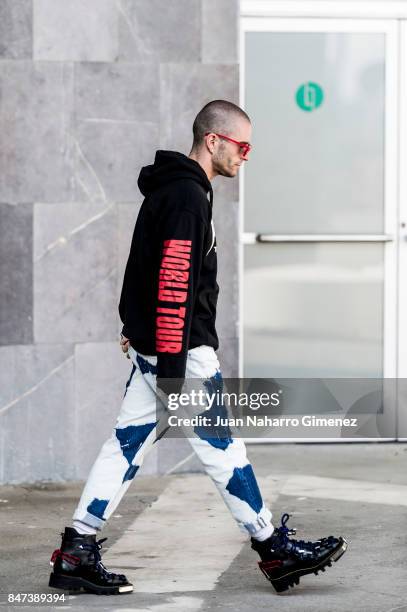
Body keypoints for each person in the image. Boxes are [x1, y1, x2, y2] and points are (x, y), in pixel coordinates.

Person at [48, 100, 347, 596]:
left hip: (159, 349)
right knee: (223, 451)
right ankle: (273, 549)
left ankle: (76, 550)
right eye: (242, 145)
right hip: (181, 354)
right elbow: (172, 285)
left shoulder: (175, 192)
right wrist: (171, 371)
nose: (245, 156)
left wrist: (134, 326)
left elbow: (142, 267)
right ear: (215, 140)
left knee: (125, 447)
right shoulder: (187, 197)